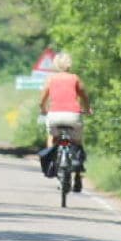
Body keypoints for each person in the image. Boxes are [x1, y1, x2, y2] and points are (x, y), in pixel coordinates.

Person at [37, 52, 92, 193]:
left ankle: (53, 163)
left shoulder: (51, 79)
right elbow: (84, 96)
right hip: (73, 116)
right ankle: (78, 173)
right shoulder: (75, 78)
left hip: (54, 115)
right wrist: (87, 109)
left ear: (55, 64)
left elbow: (42, 99)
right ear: (69, 64)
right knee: (77, 141)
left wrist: (43, 109)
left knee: (52, 137)